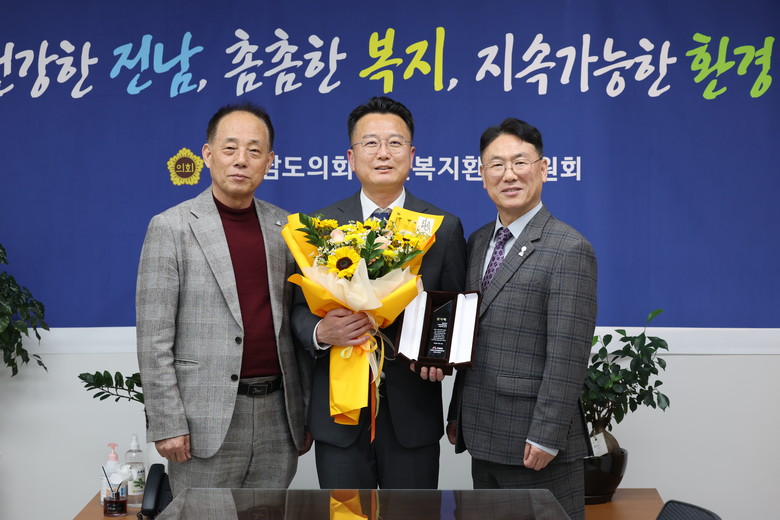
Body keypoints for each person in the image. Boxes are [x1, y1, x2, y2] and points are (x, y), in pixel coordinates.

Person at [291, 96, 467, 489]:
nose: (383, 153)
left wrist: (440, 357)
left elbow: (452, 312)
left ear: (412, 155)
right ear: (351, 158)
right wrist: (320, 332)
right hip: (339, 415)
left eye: (395, 143)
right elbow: (297, 310)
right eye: (370, 143)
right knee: (345, 514)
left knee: (412, 515)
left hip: (412, 414)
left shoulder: (442, 228)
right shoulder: (319, 227)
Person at [136, 102, 311, 495]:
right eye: (230, 148)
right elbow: (153, 339)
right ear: (207, 154)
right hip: (203, 420)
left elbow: (298, 324)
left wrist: (304, 412)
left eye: (254, 150)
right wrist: (167, 423)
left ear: (269, 161)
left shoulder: (287, 228)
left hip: (278, 415)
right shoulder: (171, 227)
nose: (241, 160)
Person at [447, 118, 597, 520]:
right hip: (482, 433)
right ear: (482, 175)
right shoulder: (478, 241)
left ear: (543, 169)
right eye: (496, 165)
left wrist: (547, 436)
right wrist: (457, 413)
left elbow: (568, 354)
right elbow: (473, 332)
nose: (509, 174)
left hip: (535, 443)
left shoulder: (569, 248)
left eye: (520, 162)